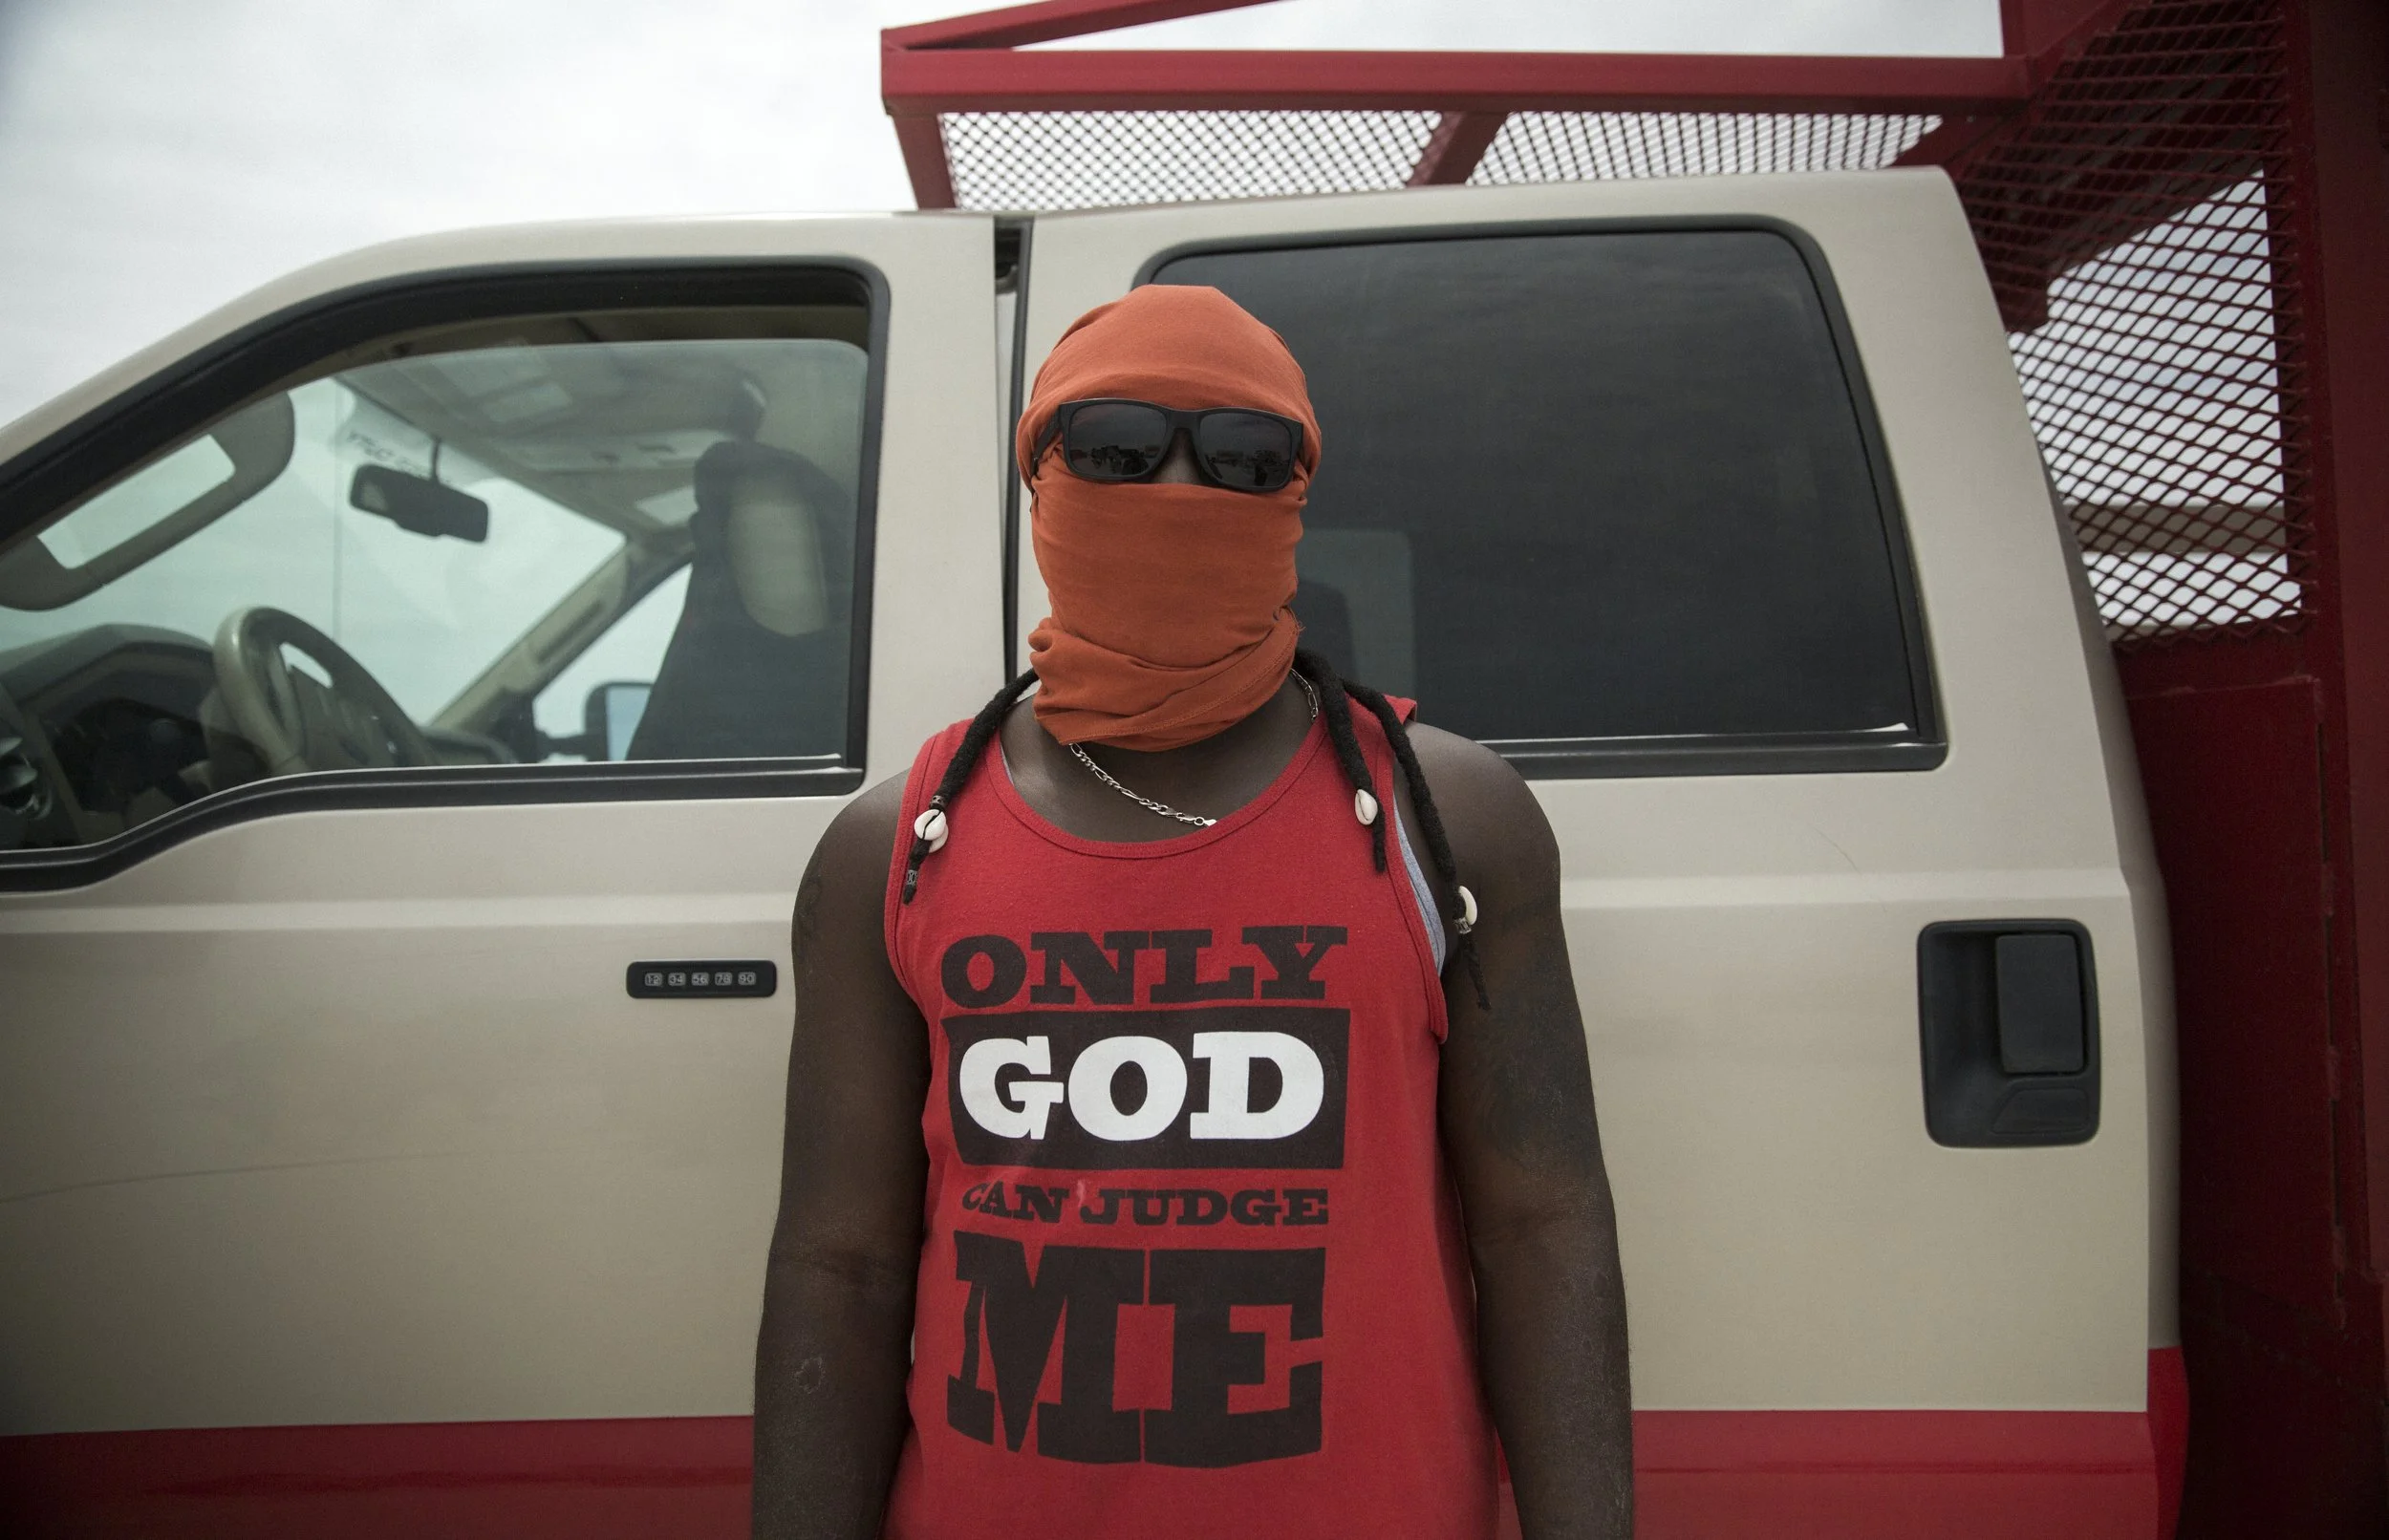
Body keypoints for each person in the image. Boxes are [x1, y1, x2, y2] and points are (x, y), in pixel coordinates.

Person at [752, 285, 1632, 1540]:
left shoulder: (1451, 816)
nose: (1179, 487)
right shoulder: (894, 848)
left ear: (1295, 493)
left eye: (1241, 455)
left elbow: (1544, 1219)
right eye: (1115, 446)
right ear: (1041, 481)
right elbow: (838, 1266)